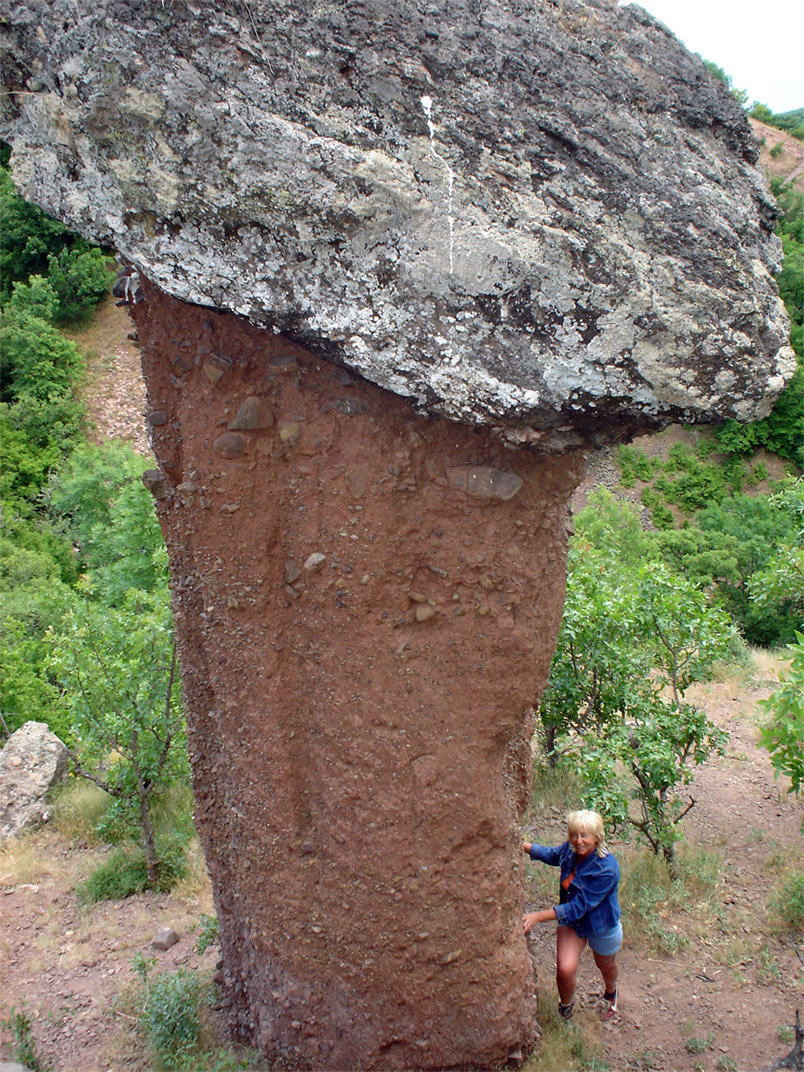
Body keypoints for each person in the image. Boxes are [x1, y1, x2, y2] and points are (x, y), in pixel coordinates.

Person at [522, 809, 622, 1022]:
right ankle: (566, 1008)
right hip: (574, 923)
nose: (579, 841)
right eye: (574, 835)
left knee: (605, 964)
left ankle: (611, 993)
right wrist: (522, 845)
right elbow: (552, 855)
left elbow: (579, 906)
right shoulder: (570, 851)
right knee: (565, 969)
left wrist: (538, 916)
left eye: (585, 836)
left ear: (597, 837)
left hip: (601, 925)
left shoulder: (607, 868)